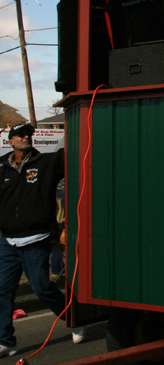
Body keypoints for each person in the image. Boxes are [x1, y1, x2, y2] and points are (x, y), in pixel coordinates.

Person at [0, 124, 85, 357]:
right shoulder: (1, 167)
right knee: (2, 290)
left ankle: (74, 321)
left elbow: (72, 154)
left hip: (36, 238)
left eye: (29, 134)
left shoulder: (45, 163)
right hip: (7, 241)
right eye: (20, 135)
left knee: (42, 287)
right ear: (10, 141)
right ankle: (6, 341)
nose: (26, 137)